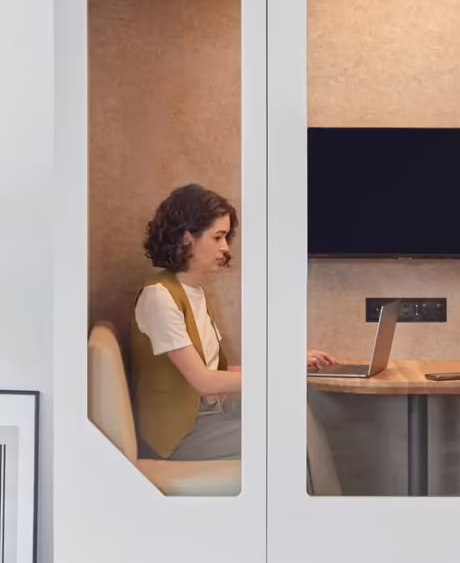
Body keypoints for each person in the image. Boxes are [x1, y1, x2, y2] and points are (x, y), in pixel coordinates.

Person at [132, 183, 336, 461]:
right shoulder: (159, 297)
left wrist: (290, 362)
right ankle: (321, 504)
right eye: (218, 237)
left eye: (226, 237)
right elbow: (204, 381)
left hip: (208, 414)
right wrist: (281, 375)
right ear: (186, 237)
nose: (225, 248)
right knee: (293, 428)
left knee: (299, 411)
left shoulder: (194, 293)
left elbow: (219, 368)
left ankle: (317, 503)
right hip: (180, 434)